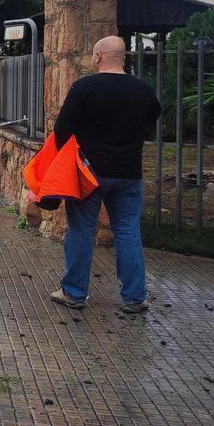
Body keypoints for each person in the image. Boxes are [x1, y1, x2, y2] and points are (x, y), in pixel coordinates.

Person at [49, 36, 161, 314]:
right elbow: (153, 118)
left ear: (99, 56)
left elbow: (62, 130)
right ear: (122, 57)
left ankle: (73, 293)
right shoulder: (143, 90)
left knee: (81, 231)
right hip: (128, 174)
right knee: (127, 231)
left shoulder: (84, 87)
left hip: (89, 174)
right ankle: (135, 297)